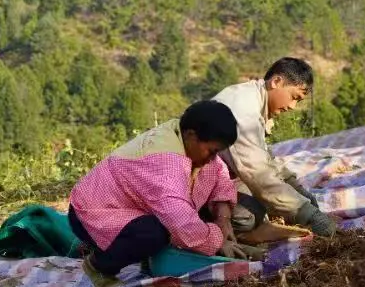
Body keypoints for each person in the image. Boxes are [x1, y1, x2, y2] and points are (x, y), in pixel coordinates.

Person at [68, 100, 246, 277]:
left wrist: (223, 218)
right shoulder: (165, 162)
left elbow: (219, 172)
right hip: (92, 214)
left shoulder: (182, 135)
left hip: (129, 208)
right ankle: (99, 266)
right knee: (155, 233)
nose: (213, 158)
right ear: (191, 135)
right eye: (212, 151)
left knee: (219, 207)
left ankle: (119, 248)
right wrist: (217, 241)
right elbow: (181, 223)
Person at [212, 57, 337, 237]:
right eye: (294, 97)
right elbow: (259, 174)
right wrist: (307, 214)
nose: (293, 106)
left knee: (272, 202)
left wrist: (294, 186)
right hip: (196, 181)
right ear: (276, 81)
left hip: (223, 174)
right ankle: (209, 229)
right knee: (247, 216)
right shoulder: (243, 113)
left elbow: (263, 156)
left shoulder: (253, 98)